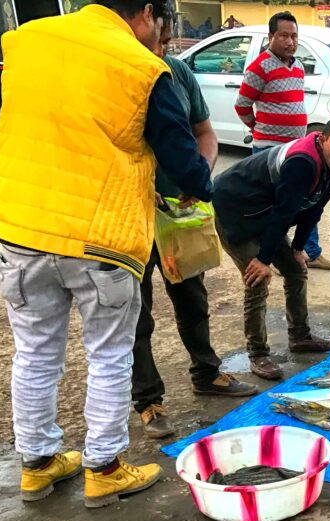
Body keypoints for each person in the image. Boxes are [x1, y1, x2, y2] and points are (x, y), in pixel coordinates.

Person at [0, 0, 214, 508]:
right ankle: (104, 469)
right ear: (149, 13)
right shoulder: (140, 67)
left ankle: (38, 465)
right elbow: (185, 160)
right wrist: (200, 185)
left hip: (21, 229)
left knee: (35, 354)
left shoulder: (27, 41)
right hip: (98, 239)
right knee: (108, 355)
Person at [133, 21, 257, 440]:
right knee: (136, 312)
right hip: (129, 215)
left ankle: (207, 372)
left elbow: (205, 134)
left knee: (192, 297)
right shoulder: (117, 72)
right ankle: (148, 402)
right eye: (158, 39)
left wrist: (199, 176)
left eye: (168, 41)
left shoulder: (178, 73)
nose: (162, 47)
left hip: (179, 213)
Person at [213, 120, 330, 381]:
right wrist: (263, 259)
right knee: (257, 279)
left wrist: (299, 248)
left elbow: (314, 208)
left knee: (296, 269)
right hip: (235, 211)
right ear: (323, 140)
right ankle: (257, 353)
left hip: (267, 213)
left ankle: (300, 336)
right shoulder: (302, 162)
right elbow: (285, 211)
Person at [236, 12, 330, 271]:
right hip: (269, 150)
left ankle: (310, 251)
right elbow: (242, 106)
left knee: (309, 200)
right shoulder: (258, 67)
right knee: (274, 206)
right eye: (283, 36)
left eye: (294, 36)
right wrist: (259, 128)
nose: (290, 42)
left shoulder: (297, 67)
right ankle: (267, 255)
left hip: (297, 149)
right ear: (271, 36)